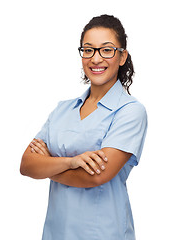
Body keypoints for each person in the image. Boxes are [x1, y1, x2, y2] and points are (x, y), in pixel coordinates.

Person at [20, 14, 148, 240]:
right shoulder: (63, 109)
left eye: (106, 50)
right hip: (55, 232)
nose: (96, 59)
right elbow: (27, 165)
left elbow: (97, 176)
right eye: (88, 50)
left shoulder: (130, 111)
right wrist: (72, 162)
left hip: (103, 233)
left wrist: (49, 166)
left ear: (122, 56)